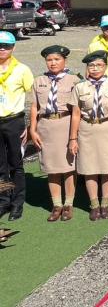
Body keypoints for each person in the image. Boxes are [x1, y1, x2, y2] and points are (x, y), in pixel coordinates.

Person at [30, 45, 81, 222]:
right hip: (46, 127)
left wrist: (74, 135)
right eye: (49, 60)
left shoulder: (74, 80)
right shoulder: (39, 80)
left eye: (57, 59)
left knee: (68, 167)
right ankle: (57, 204)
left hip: (65, 124)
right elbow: (34, 106)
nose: (53, 63)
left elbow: (78, 109)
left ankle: (68, 203)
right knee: (51, 167)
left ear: (65, 60)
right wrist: (32, 129)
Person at [67, 51, 108, 221]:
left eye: (99, 65)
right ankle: (94, 204)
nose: (95, 68)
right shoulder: (80, 87)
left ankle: (105, 203)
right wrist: (73, 138)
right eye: (91, 65)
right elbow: (76, 114)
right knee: (89, 168)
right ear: (87, 67)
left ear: (106, 66)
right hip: (87, 128)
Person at [0, 31, 34, 221]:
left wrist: (30, 126)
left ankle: (17, 203)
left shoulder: (22, 69)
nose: (2, 49)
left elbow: (34, 97)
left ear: (13, 47)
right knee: (0, 166)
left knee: (16, 164)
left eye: (6, 46)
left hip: (14, 121)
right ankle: (4, 200)